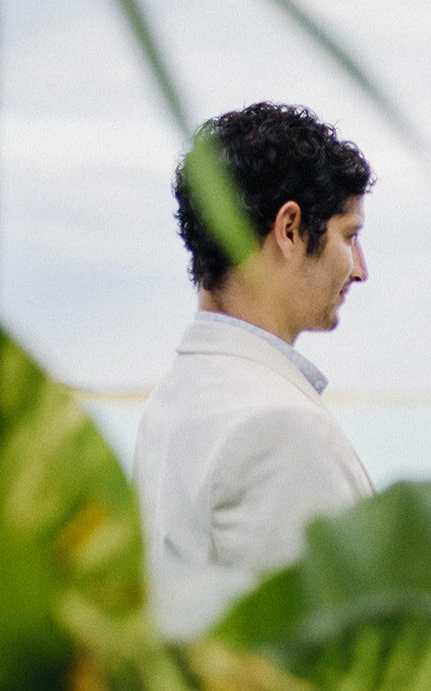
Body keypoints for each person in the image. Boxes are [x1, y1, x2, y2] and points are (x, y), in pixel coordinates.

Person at [134, 102, 375, 636]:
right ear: (289, 228)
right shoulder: (278, 427)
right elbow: (323, 667)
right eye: (349, 235)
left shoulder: (170, 402)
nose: (360, 270)